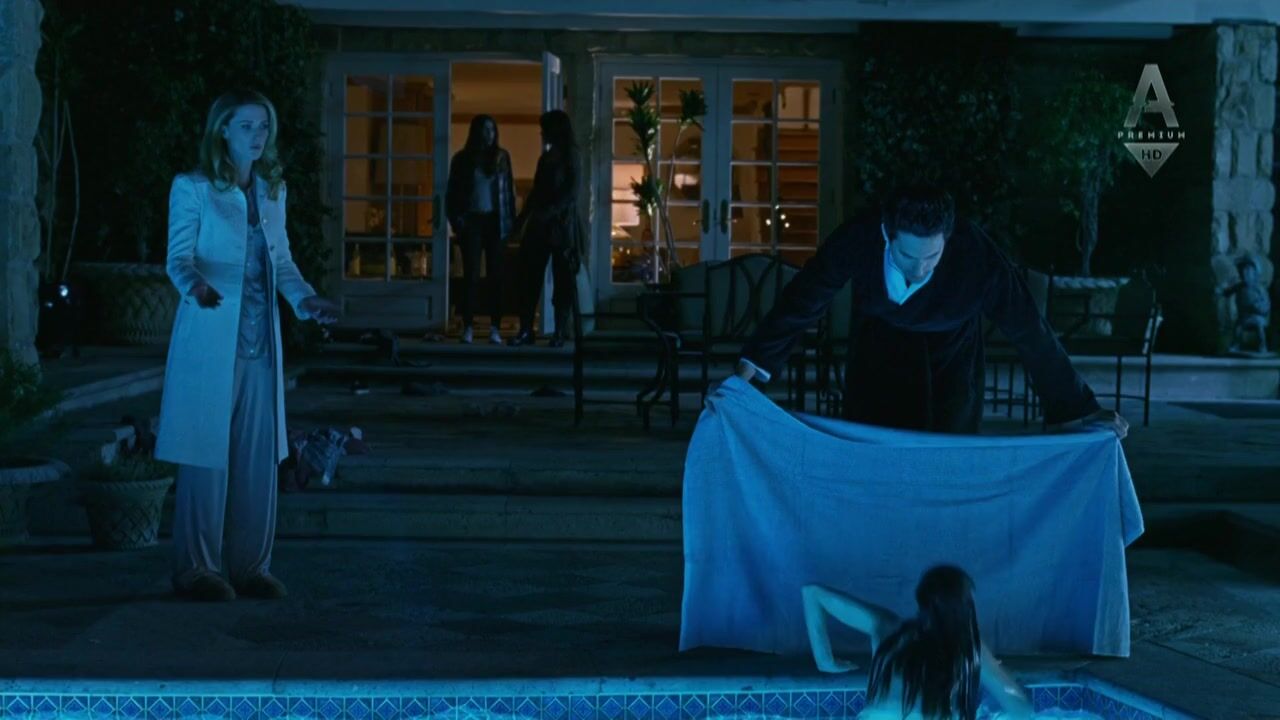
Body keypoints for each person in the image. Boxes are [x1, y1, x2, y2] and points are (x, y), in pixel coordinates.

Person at [736, 184, 1128, 438]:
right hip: (878, 348)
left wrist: (1079, 407)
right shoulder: (858, 238)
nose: (920, 269)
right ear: (887, 235)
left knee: (947, 453)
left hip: (952, 353)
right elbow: (803, 299)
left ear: (947, 240)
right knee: (875, 447)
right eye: (907, 256)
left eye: (931, 257)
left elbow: (1029, 329)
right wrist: (750, 371)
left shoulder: (977, 255)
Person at [155, 89, 340, 602]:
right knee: (205, 458)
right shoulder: (194, 189)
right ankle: (196, 569)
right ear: (223, 130)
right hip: (211, 341)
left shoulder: (272, 191)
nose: (258, 136)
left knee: (258, 460)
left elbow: (281, 263)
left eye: (263, 126)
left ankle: (251, 567)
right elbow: (178, 258)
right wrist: (196, 286)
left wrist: (306, 301)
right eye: (247, 126)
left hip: (261, 347)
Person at [802, 566, 1033, 720]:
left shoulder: (887, 627)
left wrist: (825, 661)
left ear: (921, 600)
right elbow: (1020, 709)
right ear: (964, 609)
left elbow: (813, 593)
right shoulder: (968, 646)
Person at [508, 109, 584, 348]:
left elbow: (571, 192)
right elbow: (536, 191)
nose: (542, 134)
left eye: (545, 129)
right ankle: (525, 329)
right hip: (540, 224)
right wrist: (523, 218)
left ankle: (560, 331)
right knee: (529, 276)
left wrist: (550, 211)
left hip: (562, 226)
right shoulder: (546, 158)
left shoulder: (571, 156)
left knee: (563, 279)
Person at [445, 114, 517, 345]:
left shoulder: (502, 157)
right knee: (471, 275)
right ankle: (468, 326)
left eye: (492, 130)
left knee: (496, 276)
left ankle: (495, 327)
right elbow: (451, 193)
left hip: (496, 221)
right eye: (485, 129)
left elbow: (509, 193)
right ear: (475, 132)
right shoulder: (462, 159)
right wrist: (457, 221)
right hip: (472, 221)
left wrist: (511, 224)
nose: (489, 134)